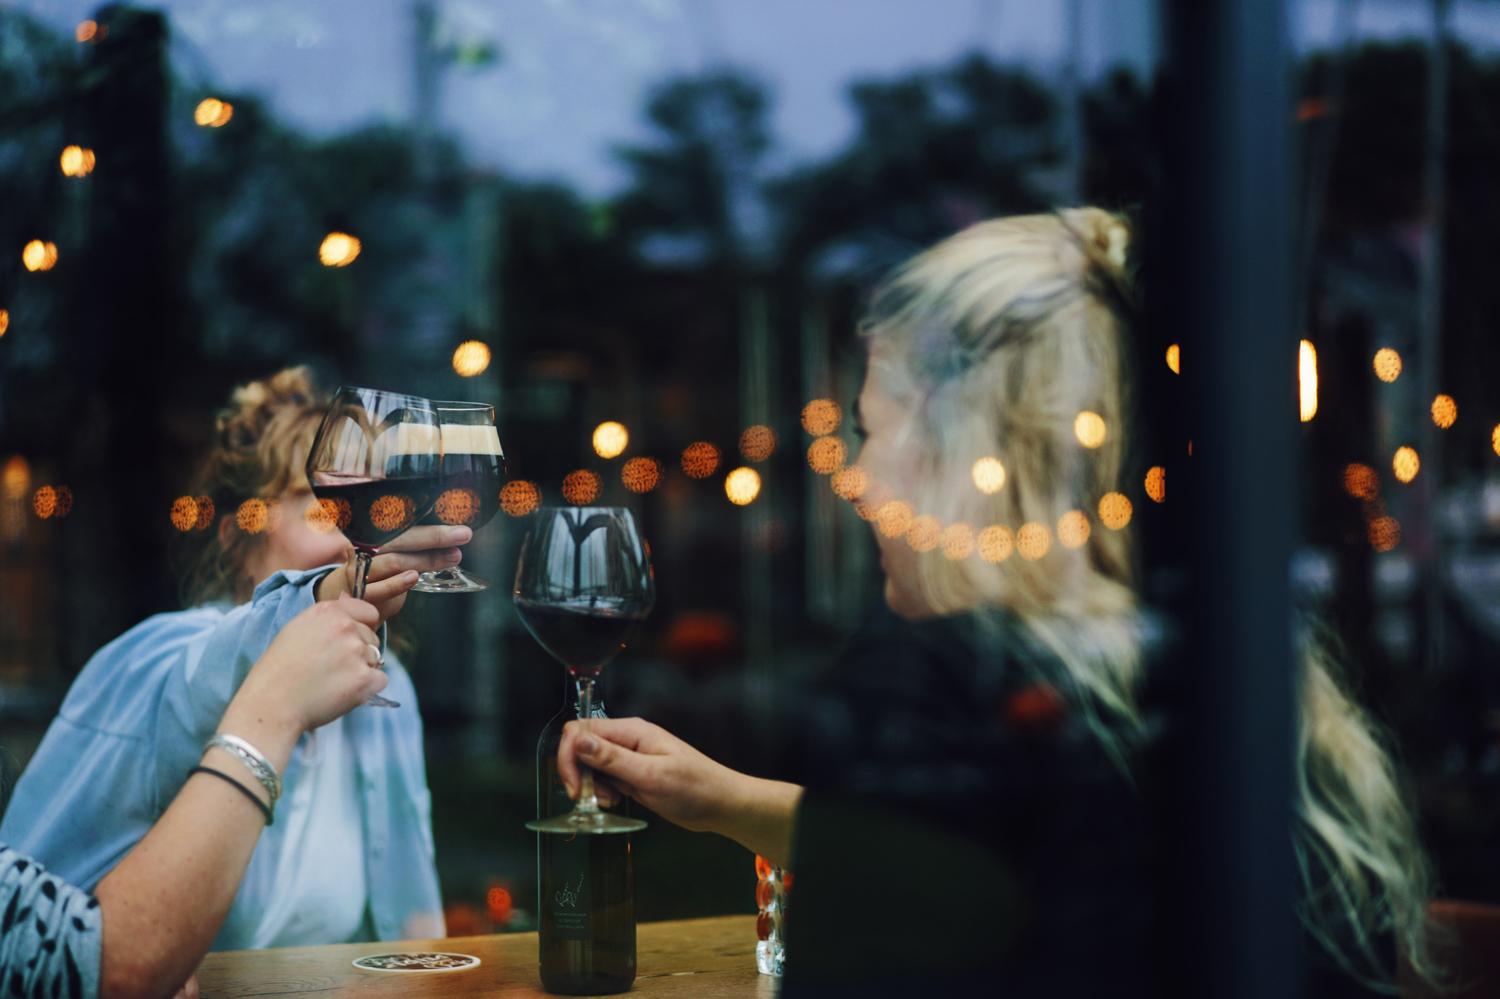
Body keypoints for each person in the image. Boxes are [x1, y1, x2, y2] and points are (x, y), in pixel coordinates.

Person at [556, 211, 1435, 995]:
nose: (857, 481)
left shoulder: (943, 684)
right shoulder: (1235, 674)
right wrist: (727, 800)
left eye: (871, 427)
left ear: (974, 444)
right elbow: (1023, 858)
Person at [0, 368, 470, 949]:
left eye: (372, 508)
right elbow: (204, 677)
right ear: (236, 538)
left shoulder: (386, 685)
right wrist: (324, 596)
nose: (356, 540)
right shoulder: (158, 654)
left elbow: (413, 916)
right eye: (325, 510)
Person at [0, 595, 390, 999]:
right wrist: (276, 701)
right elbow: (107, 966)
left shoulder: (381, 689)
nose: (338, 537)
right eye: (312, 525)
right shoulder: (164, 650)